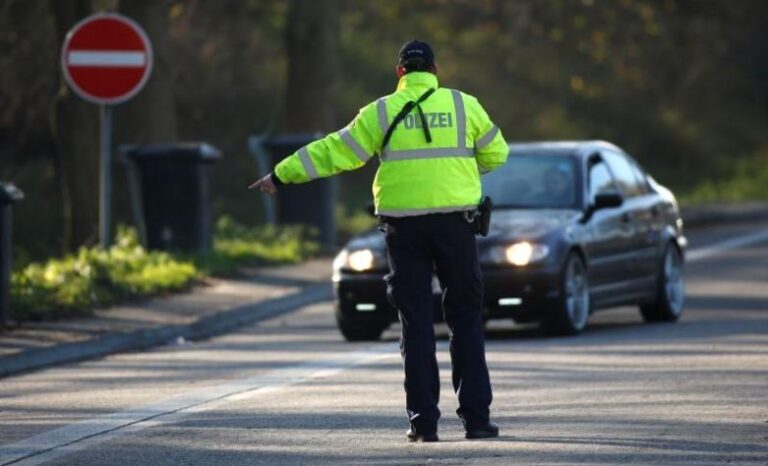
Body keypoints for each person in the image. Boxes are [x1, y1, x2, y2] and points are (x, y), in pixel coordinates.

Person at [249, 40, 508, 442]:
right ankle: (477, 421)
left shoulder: (380, 111)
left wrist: (281, 174)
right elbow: (497, 154)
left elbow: (335, 151)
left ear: (400, 73)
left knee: (416, 324)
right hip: (457, 228)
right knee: (465, 322)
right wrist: (459, 173)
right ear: (435, 71)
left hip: (405, 232)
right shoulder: (463, 105)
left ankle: (423, 424)